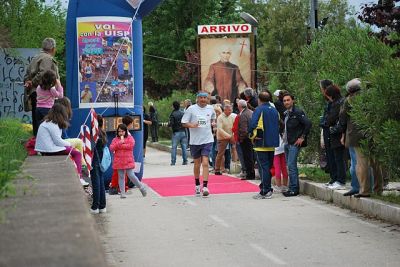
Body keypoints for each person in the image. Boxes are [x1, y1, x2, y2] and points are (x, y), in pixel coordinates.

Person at [34, 103, 86, 186]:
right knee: (77, 153)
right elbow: (58, 141)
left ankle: (80, 174)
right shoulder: (53, 124)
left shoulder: (48, 122)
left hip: (45, 149)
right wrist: (70, 144)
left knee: (74, 151)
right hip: (49, 150)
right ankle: (79, 177)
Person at [182, 91, 216, 196]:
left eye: (204, 98)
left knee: (205, 162)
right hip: (195, 141)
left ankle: (205, 187)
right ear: (197, 99)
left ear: (207, 99)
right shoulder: (191, 109)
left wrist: (213, 123)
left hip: (207, 139)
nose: (202, 100)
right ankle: (197, 185)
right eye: (200, 98)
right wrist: (192, 125)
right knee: (197, 164)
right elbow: (183, 122)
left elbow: (213, 117)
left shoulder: (211, 108)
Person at [24, 37, 60, 136]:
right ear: (53, 49)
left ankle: (37, 144)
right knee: (47, 123)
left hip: (35, 93)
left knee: (37, 121)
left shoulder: (36, 57)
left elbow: (27, 74)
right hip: (44, 95)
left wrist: (29, 82)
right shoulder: (47, 58)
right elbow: (45, 73)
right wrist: (33, 82)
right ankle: (44, 146)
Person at [248, 91, 280, 199]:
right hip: (272, 143)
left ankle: (265, 190)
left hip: (261, 142)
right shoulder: (275, 111)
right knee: (268, 167)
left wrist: (251, 135)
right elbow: (279, 125)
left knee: (263, 167)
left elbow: (253, 124)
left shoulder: (259, 109)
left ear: (259, 100)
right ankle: (266, 189)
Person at [282, 93, 312, 197]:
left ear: (293, 101)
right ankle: (291, 188)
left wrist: (302, 137)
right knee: (290, 166)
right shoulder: (286, 113)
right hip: (287, 143)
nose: (286, 102)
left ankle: (294, 189)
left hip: (294, 143)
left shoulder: (298, 112)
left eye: (288, 100)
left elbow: (308, 124)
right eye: (284, 100)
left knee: (291, 165)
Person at [110, 123, 147, 198]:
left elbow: (131, 145)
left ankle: (141, 187)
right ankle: (122, 193)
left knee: (131, 175)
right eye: (119, 131)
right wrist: (119, 143)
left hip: (128, 160)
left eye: (122, 131)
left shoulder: (130, 138)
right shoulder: (115, 139)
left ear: (125, 131)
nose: (121, 133)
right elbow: (111, 148)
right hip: (119, 161)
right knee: (121, 176)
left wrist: (121, 145)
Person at [325, 84, 346, 190]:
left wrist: (327, 121)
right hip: (340, 133)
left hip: (337, 134)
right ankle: (339, 179)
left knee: (339, 158)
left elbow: (330, 119)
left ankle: (341, 180)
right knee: (339, 158)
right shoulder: (342, 101)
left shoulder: (336, 104)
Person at [90, 114, 107, 214]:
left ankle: (95, 206)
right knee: (101, 183)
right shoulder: (102, 133)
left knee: (96, 184)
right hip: (100, 161)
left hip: (94, 160)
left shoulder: (95, 135)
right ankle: (102, 206)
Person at [214, 104, 235, 175]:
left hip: (231, 136)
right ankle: (217, 169)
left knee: (235, 149)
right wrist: (229, 136)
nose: (230, 111)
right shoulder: (220, 117)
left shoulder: (232, 116)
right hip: (222, 137)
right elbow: (220, 129)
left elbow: (235, 126)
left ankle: (234, 167)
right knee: (220, 153)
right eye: (229, 110)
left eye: (231, 110)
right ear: (225, 110)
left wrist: (233, 135)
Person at [237, 99, 255, 180]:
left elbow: (243, 129)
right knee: (251, 157)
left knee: (247, 157)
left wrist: (241, 138)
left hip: (246, 139)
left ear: (239, 106)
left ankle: (249, 174)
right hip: (251, 137)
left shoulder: (243, 114)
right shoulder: (251, 112)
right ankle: (251, 173)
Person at [169, 101, 188, 166]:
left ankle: (173, 162)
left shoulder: (172, 114)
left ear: (173, 106)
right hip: (183, 131)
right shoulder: (182, 113)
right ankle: (185, 161)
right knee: (184, 147)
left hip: (176, 132)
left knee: (174, 147)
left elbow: (171, 123)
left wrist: (169, 125)